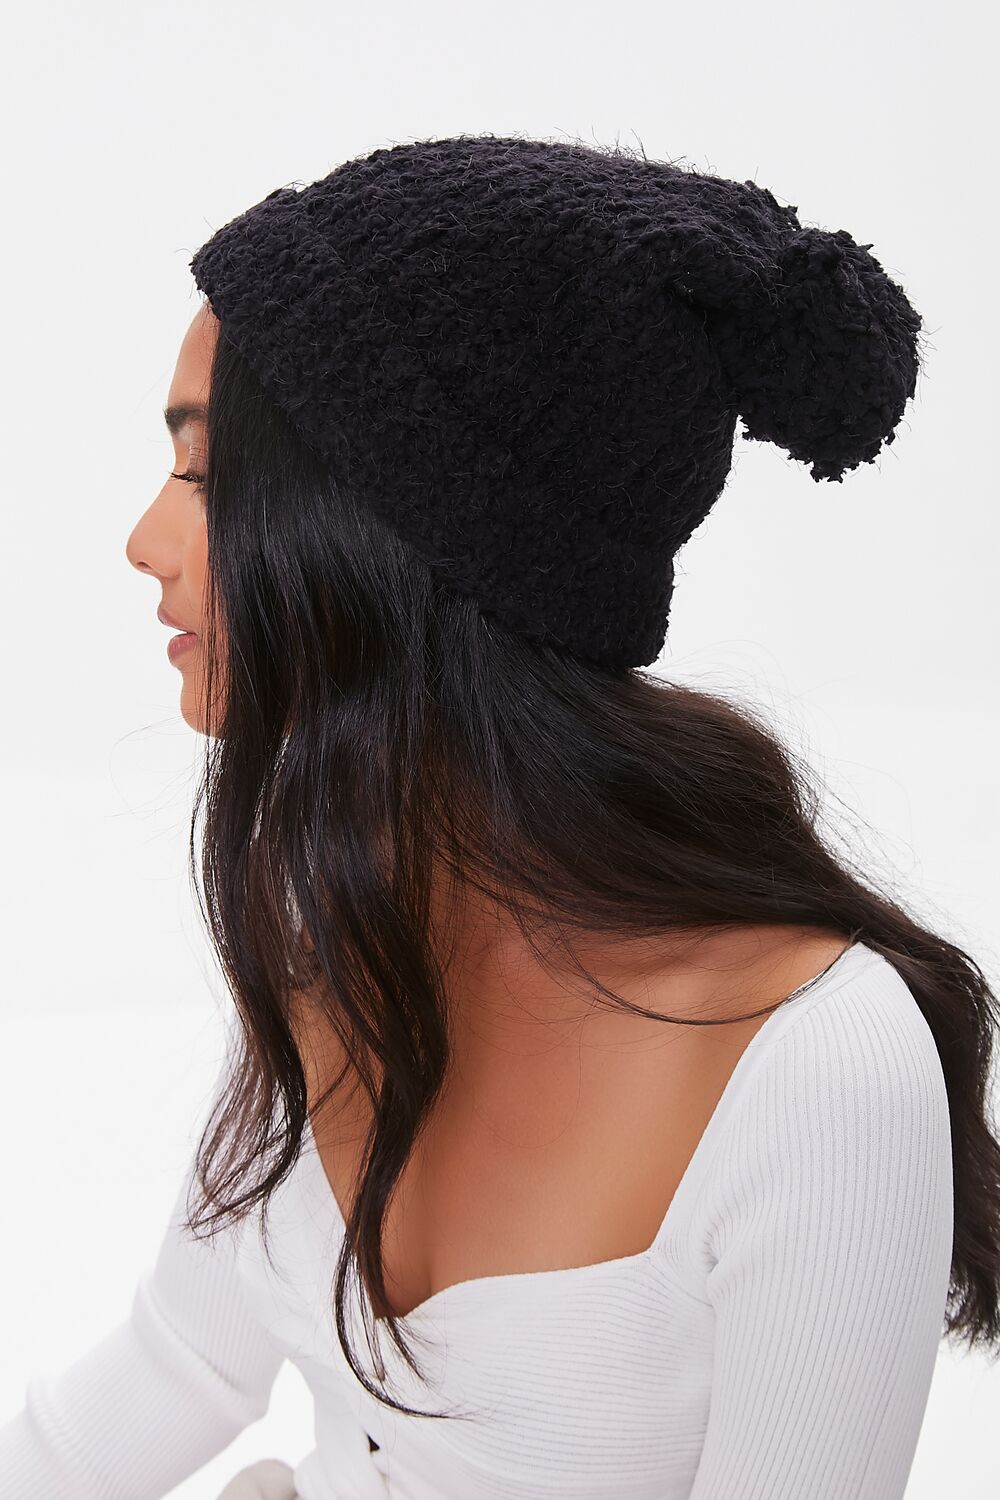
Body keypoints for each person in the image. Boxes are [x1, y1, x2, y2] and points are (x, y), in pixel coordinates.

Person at [1, 134, 993, 1500]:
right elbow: (166, 1373)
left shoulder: (817, 1062)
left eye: (206, 472)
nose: (144, 541)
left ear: (402, 529)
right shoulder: (338, 923)